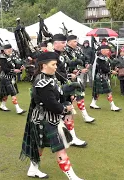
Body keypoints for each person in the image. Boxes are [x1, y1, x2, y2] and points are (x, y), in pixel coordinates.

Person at [20, 52, 83, 180]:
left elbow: (58, 94)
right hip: (45, 119)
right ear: (43, 65)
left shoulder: (51, 78)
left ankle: (33, 170)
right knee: (60, 149)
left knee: (40, 146)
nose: (55, 67)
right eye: (53, 64)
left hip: (49, 118)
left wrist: (68, 93)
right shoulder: (42, 82)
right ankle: (72, 177)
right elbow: (52, 104)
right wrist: (66, 108)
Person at [64, 35, 95, 123]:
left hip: (76, 77)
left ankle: (85, 116)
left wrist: (86, 63)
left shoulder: (77, 50)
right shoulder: (65, 52)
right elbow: (66, 65)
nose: (76, 43)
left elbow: (83, 57)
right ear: (69, 41)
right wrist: (78, 70)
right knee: (69, 98)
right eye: (74, 41)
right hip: (67, 78)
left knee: (80, 95)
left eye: (77, 41)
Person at [90, 45, 121, 111]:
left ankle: (93, 103)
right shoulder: (100, 58)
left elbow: (111, 63)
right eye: (107, 50)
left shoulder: (106, 57)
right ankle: (112, 106)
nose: (108, 51)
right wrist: (111, 71)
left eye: (108, 50)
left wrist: (115, 66)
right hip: (101, 76)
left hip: (103, 76)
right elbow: (103, 68)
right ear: (102, 50)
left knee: (97, 91)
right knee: (109, 91)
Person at [0, 44, 26, 114]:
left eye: (10, 49)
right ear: (4, 50)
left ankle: (2, 106)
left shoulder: (13, 56)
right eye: (8, 50)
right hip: (5, 77)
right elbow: (4, 68)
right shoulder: (2, 57)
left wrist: (21, 67)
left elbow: (16, 65)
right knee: (13, 93)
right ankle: (18, 109)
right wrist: (14, 70)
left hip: (12, 77)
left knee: (6, 93)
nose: (9, 51)